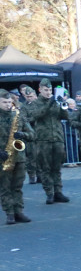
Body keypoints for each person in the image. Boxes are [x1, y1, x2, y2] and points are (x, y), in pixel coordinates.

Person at [23, 79, 70, 204]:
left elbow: (66, 117)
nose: (48, 92)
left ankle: (58, 192)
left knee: (57, 168)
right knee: (45, 168)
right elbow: (35, 116)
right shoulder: (35, 103)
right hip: (43, 139)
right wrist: (49, 104)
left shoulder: (55, 102)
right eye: (45, 90)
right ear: (40, 90)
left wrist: (62, 105)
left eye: (50, 90)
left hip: (58, 138)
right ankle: (49, 193)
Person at [0, 89, 34, 224]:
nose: (8, 105)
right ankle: (9, 213)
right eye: (4, 102)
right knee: (5, 187)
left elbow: (32, 134)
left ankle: (19, 212)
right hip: (3, 158)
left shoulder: (18, 115)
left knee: (17, 187)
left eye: (9, 102)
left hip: (19, 157)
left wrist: (23, 135)